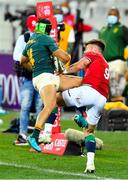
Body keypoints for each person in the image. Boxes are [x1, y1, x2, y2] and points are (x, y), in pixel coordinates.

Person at [20, 18, 82, 152]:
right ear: (48, 29)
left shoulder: (30, 41)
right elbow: (65, 58)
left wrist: (34, 69)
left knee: (79, 82)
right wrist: (67, 57)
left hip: (44, 77)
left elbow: (22, 61)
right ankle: (34, 136)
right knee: (50, 106)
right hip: (46, 78)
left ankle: (48, 132)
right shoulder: (46, 39)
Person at [57, 39, 110, 173]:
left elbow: (79, 65)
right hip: (102, 98)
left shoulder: (94, 55)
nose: (85, 52)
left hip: (89, 91)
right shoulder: (105, 63)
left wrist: (63, 71)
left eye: (86, 49)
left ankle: (44, 133)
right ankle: (90, 164)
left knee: (56, 99)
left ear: (93, 49)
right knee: (89, 131)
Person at [13, 15, 43, 145]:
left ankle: (37, 135)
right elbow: (16, 55)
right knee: (27, 106)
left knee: (39, 107)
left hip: (40, 77)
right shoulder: (24, 38)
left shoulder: (42, 38)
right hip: (29, 76)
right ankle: (23, 134)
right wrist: (30, 59)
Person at [99, 7, 128, 98]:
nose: (112, 16)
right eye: (110, 15)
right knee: (103, 87)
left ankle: (118, 106)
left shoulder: (123, 29)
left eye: (114, 15)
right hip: (103, 63)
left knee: (115, 87)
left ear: (119, 17)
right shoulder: (103, 30)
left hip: (117, 62)